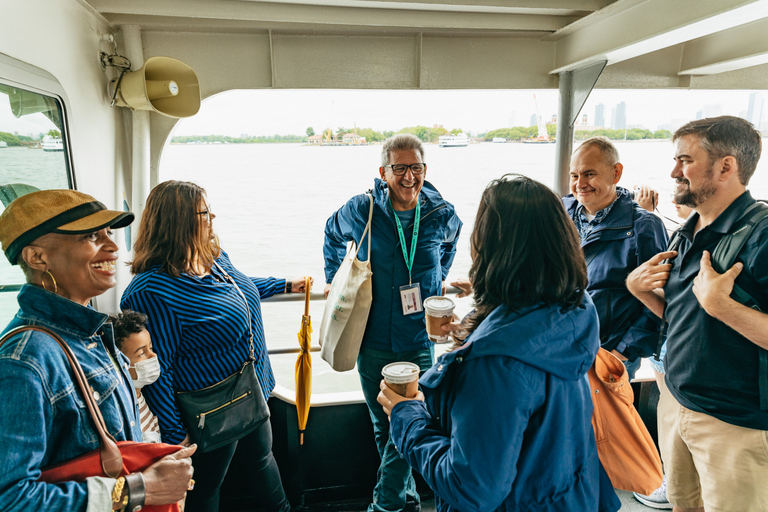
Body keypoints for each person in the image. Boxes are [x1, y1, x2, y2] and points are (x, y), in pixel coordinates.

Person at [377, 175, 609, 512]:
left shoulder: (493, 364)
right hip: (567, 497)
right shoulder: (575, 309)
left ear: (491, 247)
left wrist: (406, 415)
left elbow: (471, 488)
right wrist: (475, 329)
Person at [0, 189, 195, 512]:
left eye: (109, 233)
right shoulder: (23, 362)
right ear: (37, 258)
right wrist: (140, 488)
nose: (114, 247)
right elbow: (10, 499)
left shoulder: (92, 333)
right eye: (91, 236)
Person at [121, 180, 308, 512]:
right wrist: (177, 434)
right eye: (205, 212)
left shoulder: (215, 257)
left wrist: (283, 284)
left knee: (262, 460)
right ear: (178, 221)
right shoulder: (151, 290)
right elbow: (158, 371)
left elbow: (242, 288)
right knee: (206, 487)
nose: (213, 217)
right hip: (207, 408)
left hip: (250, 387)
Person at [627, 116, 768, 512]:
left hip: (735, 425)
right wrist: (642, 294)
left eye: (685, 161)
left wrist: (722, 306)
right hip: (677, 400)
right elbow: (686, 317)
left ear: (726, 166)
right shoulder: (687, 231)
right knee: (683, 506)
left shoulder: (763, 236)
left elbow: (714, 310)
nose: (674, 172)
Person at [323, 133, 462, 512]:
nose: (407, 176)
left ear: (424, 169)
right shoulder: (362, 209)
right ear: (383, 171)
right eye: (398, 168)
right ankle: (408, 500)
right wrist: (332, 279)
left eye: (414, 167)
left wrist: (438, 279)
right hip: (370, 338)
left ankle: (384, 505)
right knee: (385, 426)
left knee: (411, 418)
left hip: (420, 337)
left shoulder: (440, 212)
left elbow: (450, 243)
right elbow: (332, 234)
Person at [563, 137, 668, 379]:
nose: (580, 184)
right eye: (574, 175)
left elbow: (658, 300)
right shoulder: (558, 213)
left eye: (589, 174)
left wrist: (621, 352)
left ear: (616, 173)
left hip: (609, 354)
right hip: (559, 346)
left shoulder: (644, 227)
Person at [633, 196, 694, 510]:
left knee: (675, 419)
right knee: (669, 415)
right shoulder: (687, 232)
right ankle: (674, 480)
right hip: (670, 344)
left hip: (681, 351)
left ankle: (673, 479)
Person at [111, 310, 163, 443]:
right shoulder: (123, 410)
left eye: (151, 348)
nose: (153, 356)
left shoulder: (140, 395)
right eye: (141, 353)